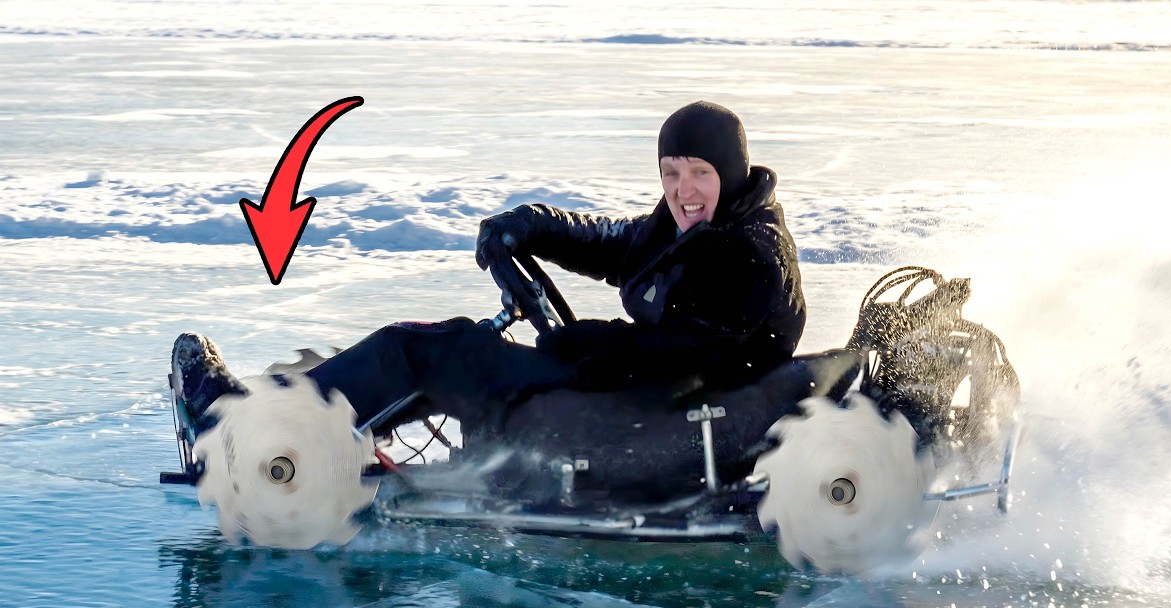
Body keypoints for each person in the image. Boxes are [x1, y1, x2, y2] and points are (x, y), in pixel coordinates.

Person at [172, 100, 807, 444]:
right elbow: (621, 243)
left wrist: (587, 342)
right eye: (671, 172)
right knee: (446, 345)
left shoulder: (746, 252)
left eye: (698, 172)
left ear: (729, 170)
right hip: (630, 385)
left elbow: (692, 354)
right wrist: (530, 225)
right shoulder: (700, 224)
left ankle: (248, 423)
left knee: (426, 349)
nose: (682, 189)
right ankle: (316, 422)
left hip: (650, 409)